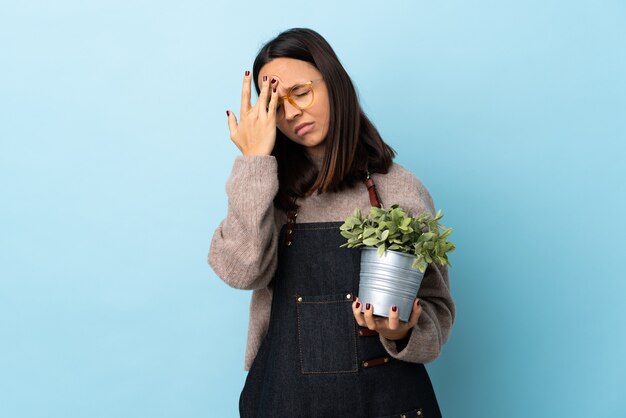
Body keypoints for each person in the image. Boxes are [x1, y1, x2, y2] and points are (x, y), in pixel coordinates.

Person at [208, 27, 455, 418]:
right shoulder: (266, 191)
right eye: (275, 104)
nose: (290, 113)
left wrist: (401, 331)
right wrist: (254, 163)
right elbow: (241, 271)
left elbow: (437, 309)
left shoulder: (400, 190)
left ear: (335, 83)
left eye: (301, 93)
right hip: (285, 402)